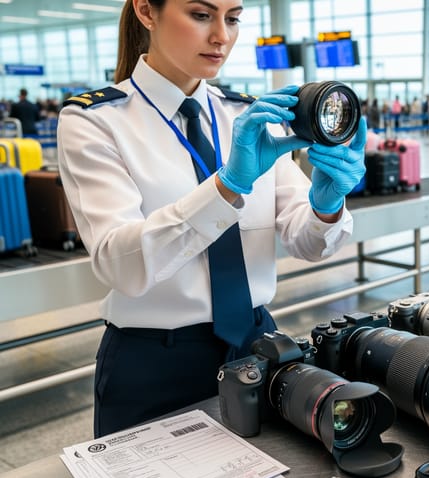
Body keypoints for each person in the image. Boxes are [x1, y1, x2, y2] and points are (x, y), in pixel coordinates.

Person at [57, 0, 366, 437]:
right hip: (156, 363)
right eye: (201, 15)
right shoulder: (96, 121)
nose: (222, 35)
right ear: (147, 11)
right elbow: (118, 262)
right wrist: (227, 187)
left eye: (233, 18)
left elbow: (308, 242)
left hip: (258, 345)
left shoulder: (248, 114)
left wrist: (327, 203)